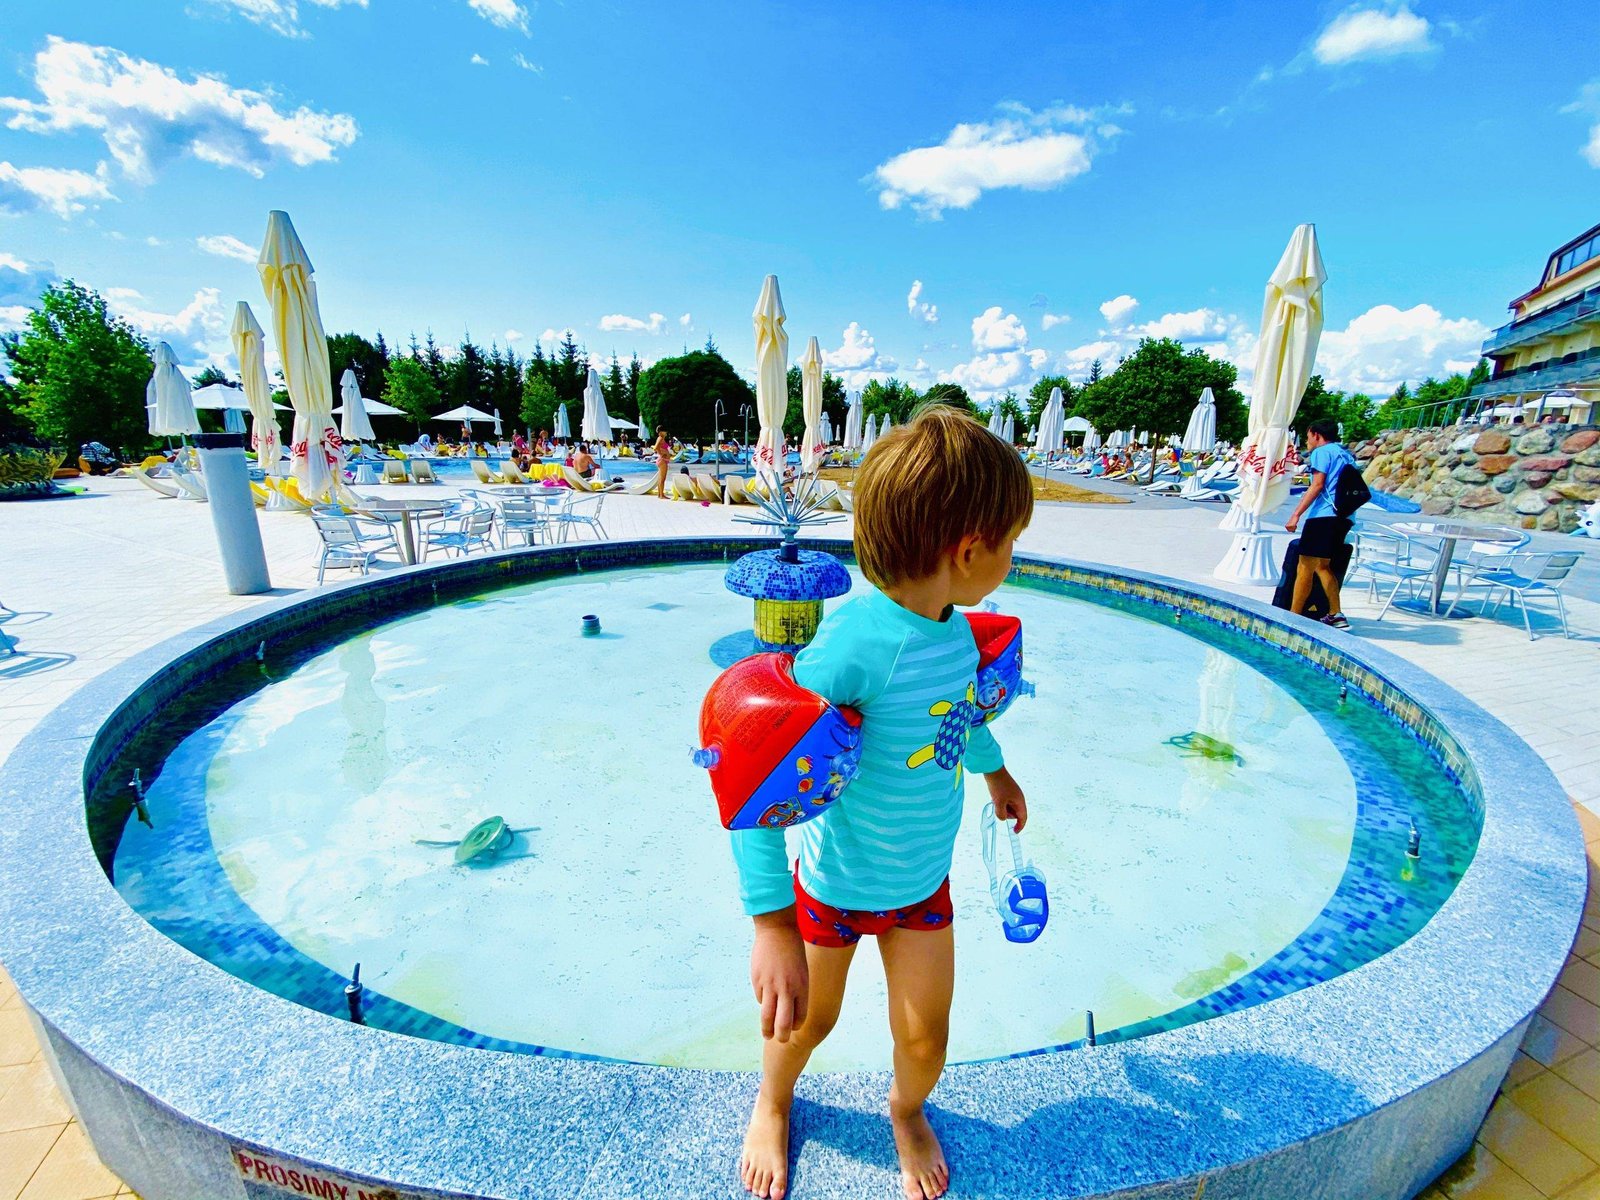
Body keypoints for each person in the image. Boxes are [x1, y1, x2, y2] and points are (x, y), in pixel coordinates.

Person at [733, 405, 1034, 1200]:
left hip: (920, 884)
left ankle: (905, 1108)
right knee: (807, 1022)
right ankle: (772, 1100)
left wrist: (995, 772)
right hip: (831, 889)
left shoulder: (955, 631)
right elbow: (752, 776)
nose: (1011, 559)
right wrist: (771, 923)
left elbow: (956, 717)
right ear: (969, 550)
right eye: (1009, 544)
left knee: (925, 1035)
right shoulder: (849, 648)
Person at [1284, 417, 1357, 630]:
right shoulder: (1346, 455)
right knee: (1323, 566)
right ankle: (1335, 614)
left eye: (1308, 437)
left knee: (1305, 566)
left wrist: (1296, 514)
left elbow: (1317, 485)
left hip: (1324, 516)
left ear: (1317, 435)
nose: (1307, 442)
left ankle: (1292, 618)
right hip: (1345, 517)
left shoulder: (1322, 452)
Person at [652, 429, 671, 499]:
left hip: (662, 460)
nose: (666, 432)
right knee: (662, 479)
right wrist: (661, 454)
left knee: (661, 478)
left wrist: (662, 453)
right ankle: (661, 495)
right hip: (662, 460)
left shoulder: (660, 438)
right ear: (660, 432)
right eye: (664, 431)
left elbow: (657, 447)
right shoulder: (660, 438)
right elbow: (655, 448)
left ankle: (660, 494)